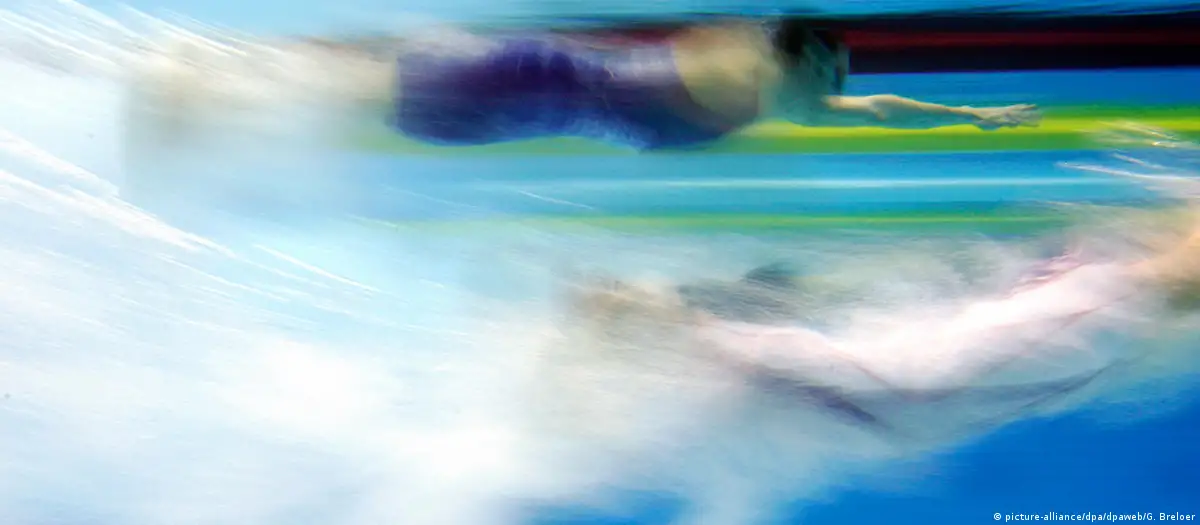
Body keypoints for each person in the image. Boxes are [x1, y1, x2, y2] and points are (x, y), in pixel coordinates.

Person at [135, 19, 1042, 151]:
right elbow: (866, 103)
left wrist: (968, 113)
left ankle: (205, 94)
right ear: (802, 57)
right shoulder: (764, 71)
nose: (841, 83)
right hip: (534, 83)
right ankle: (195, 88)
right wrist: (967, 114)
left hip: (539, 97)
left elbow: (872, 105)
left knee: (363, 99)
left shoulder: (781, 86)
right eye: (832, 65)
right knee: (363, 96)